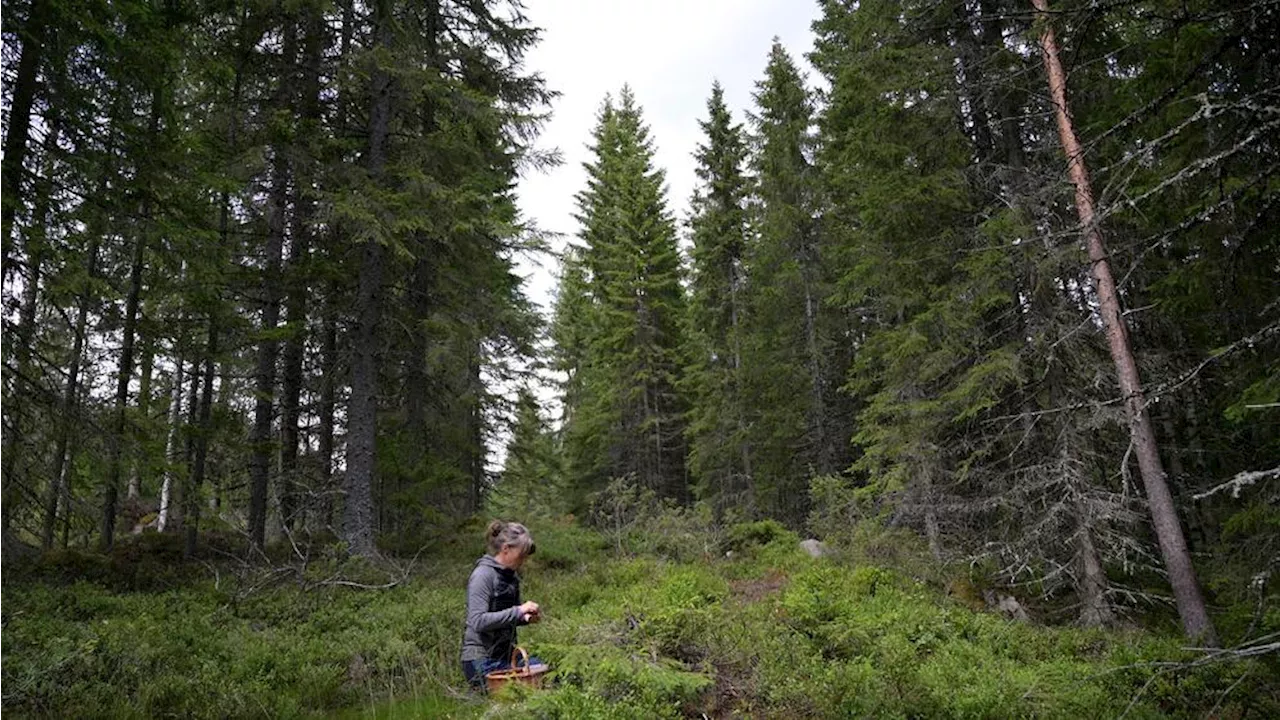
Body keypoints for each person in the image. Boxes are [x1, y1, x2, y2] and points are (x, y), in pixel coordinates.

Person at [460, 520, 544, 689]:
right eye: (522, 554)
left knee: (543, 669)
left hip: (506, 656)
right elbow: (478, 621)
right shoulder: (482, 575)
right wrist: (518, 610)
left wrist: (525, 618)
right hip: (479, 661)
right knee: (526, 684)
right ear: (506, 549)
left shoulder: (511, 577)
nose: (524, 560)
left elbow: (505, 616)